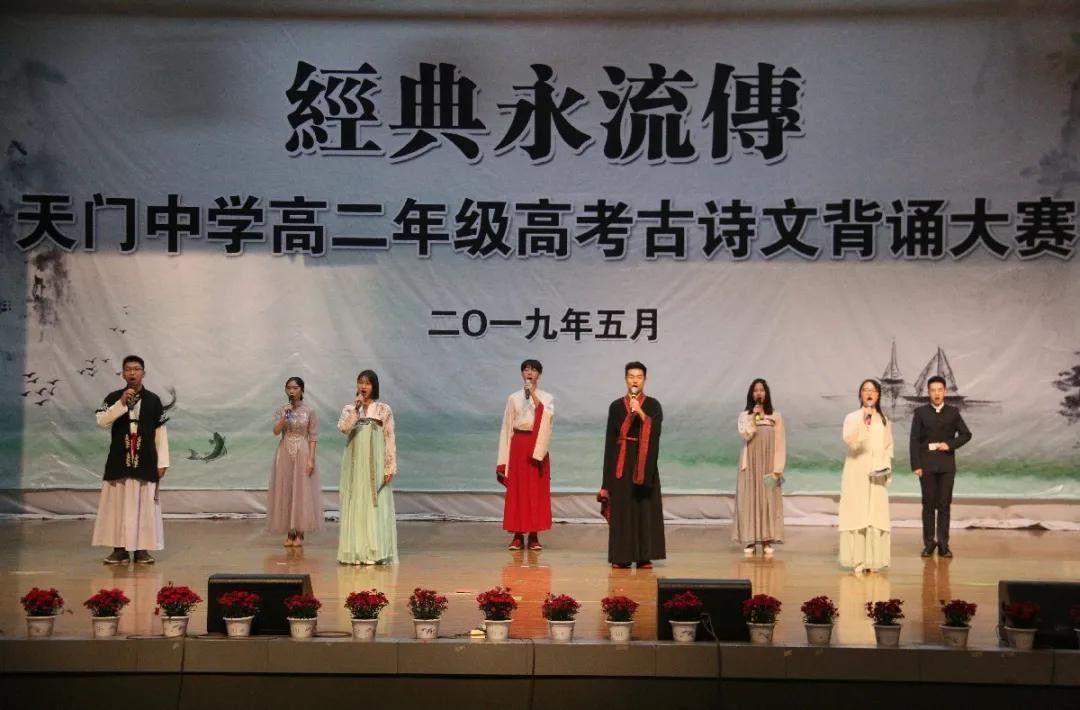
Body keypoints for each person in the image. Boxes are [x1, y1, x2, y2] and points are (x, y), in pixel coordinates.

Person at [91, 355, 169, 564]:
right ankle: (120, 550)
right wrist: (121, 404)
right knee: (117, 506)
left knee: (144, 505)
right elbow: (102, 421)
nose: (132, 373)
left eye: (136, 369)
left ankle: (141, 550)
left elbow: (161, 433)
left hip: (145, 460)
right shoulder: (113, 397)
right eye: (128, 369)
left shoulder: (153, 400)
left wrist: (163, 462)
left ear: (143, 373)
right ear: (123, 374)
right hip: (120, 459)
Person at [599, 361, 665, 569]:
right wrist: (606, 481)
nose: (635, 380)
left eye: (639, 377)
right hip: (622, 460)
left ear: (645, 380)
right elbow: (610, 442)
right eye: (631, 376)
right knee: (623, 508)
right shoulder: (616, 406)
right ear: (625, 379)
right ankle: (621, 556)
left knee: (644, 507)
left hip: (645, 462)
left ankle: (645, 556)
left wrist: (641, 413)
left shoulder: (653, 405)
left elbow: (655, 431)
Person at [337, 370, 397, 565]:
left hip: (375, 462)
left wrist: (390, 466)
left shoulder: (383, 409)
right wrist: (356, 409)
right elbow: (344, 428)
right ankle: (356, 551)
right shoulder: (349, 409)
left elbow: (389, 438)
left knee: (374, 503)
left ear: (374, 386)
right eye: (360, 382)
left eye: (367, 383)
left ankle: (373, 552)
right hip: (355, 462)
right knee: (356, 502)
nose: (363, 386)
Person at [910, 375, 972, 558]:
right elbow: (914, 440)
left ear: (945, 391)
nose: (936, 394)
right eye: (933, 390)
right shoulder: (920, 413)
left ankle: (944, 545)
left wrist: (950, 444)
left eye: (939, 390)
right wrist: (916, 465)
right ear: (928, 392)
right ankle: (929, 543)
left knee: (944, 505)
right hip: (926, 464)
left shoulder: (953, 412)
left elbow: (966, 434)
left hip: (946, 465)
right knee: (928, 505)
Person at [495, 359, 554, 551]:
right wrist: (503, 459)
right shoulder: (513, 398)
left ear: (539, 374)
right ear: (522, 373)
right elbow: (506, 427)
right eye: (526, 369)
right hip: (519, 445)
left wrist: (533, 395)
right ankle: (518, 535)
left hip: (537, 445)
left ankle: (534, 535)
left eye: (534, 370)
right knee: (518, 490)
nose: (530, 373)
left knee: (536, 491)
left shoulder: (546, 397)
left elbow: (546, 417)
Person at [838, 379, 894, 574]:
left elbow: (888, 446)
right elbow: (851, 442)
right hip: (857, 469)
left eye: (873, 390)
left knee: (875, 513)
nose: (869, 393)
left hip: (877, 471)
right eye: (865, 390)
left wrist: (886, 467)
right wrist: (864, 421)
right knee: (858, 511)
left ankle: (874, 559)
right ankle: (858, 560)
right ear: (860, 394)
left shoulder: (884, 419)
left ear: (878, 395)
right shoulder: (852, 417)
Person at [267, 376, 322, 547]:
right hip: (284, 451)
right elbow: (276, 431)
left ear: (302, 390)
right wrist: (284, 416)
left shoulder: (309, 411)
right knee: (286, 489)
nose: (292, 391)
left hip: (302, 451)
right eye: (289, 388)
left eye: (295, 388)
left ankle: (300, 532)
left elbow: (313, 436)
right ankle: (289, 532)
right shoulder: (282, 410)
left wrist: (311, 458)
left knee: (301, 490)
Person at [734, 378, 787, 556]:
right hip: (750, 462)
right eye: (755, 390)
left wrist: (778, 467)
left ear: (766, 393)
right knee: (749, 497)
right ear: (751, 394)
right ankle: (750, 539)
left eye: (761, 390)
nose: (759, 393)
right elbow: (745, 435)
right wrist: (754, 420)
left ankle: (767, 539)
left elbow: (780, 442)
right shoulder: (745, 416)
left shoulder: (776, 416)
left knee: (768, 498)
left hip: (769, 462)